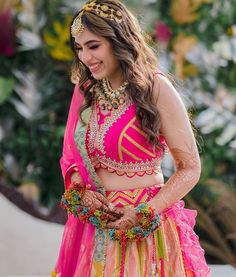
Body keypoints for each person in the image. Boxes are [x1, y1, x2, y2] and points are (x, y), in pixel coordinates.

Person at [52, 0, 211, 276]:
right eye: (79, 48)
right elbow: (70, 153)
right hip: (96, 227)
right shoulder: (87, 89)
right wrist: (82, 190)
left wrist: (144, 213)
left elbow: (190, 168)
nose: (85, 58)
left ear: (118, 40)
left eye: (93, 46)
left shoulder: (155, 88)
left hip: (145, 230)